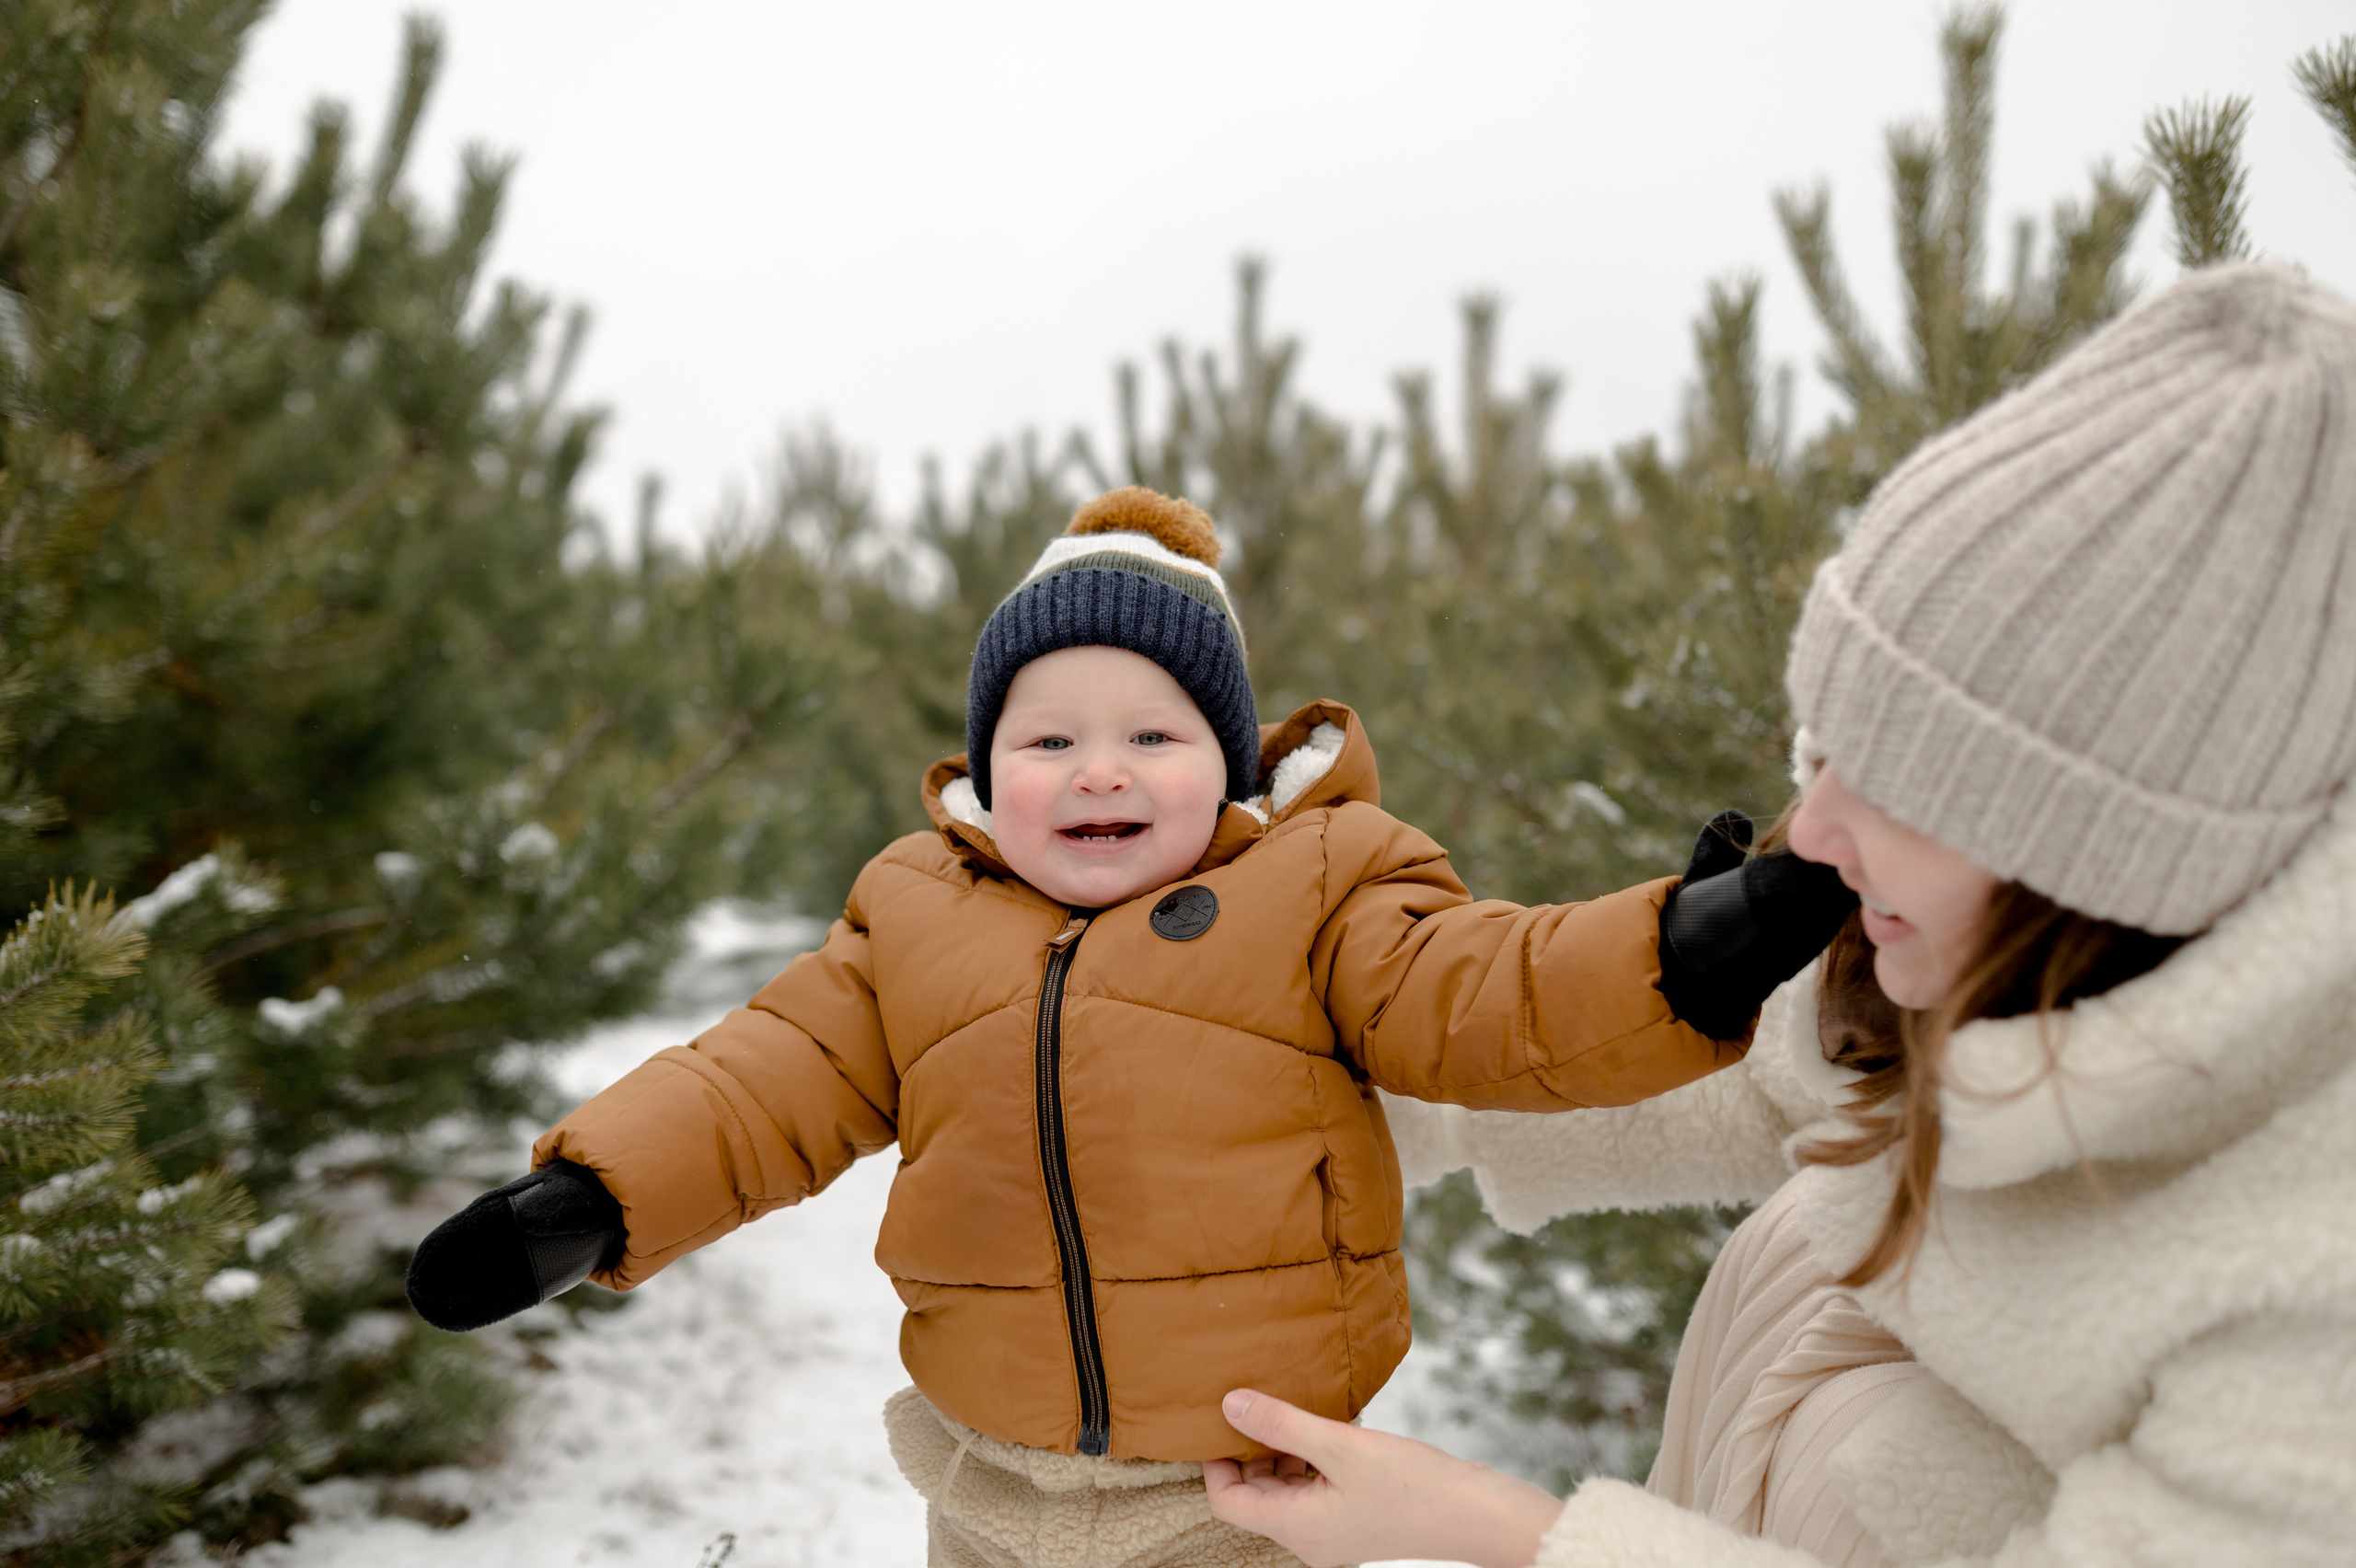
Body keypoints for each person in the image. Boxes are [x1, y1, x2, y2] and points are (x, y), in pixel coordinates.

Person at [398, 484, 1853, 1568]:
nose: (1100, 770)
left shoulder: (1324, 883)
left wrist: (1677, 957)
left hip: (1236, 1488)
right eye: (1047, 739)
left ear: (1226, 761)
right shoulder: (914, 908)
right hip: (984, 1476)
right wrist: (593, 1195)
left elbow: (1484, 994)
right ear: (984, 769)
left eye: (1151, 735)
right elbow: (765, 1077)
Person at [1202, 261, 2356, 1567]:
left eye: (1903, 785)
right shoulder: (1990, 974)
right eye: (1826, 743)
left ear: (2099, 851)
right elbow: (1740, 1081)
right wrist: (1305, 1099)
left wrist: (1499, 1532)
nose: (1811, 827)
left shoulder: (2314, 1292)